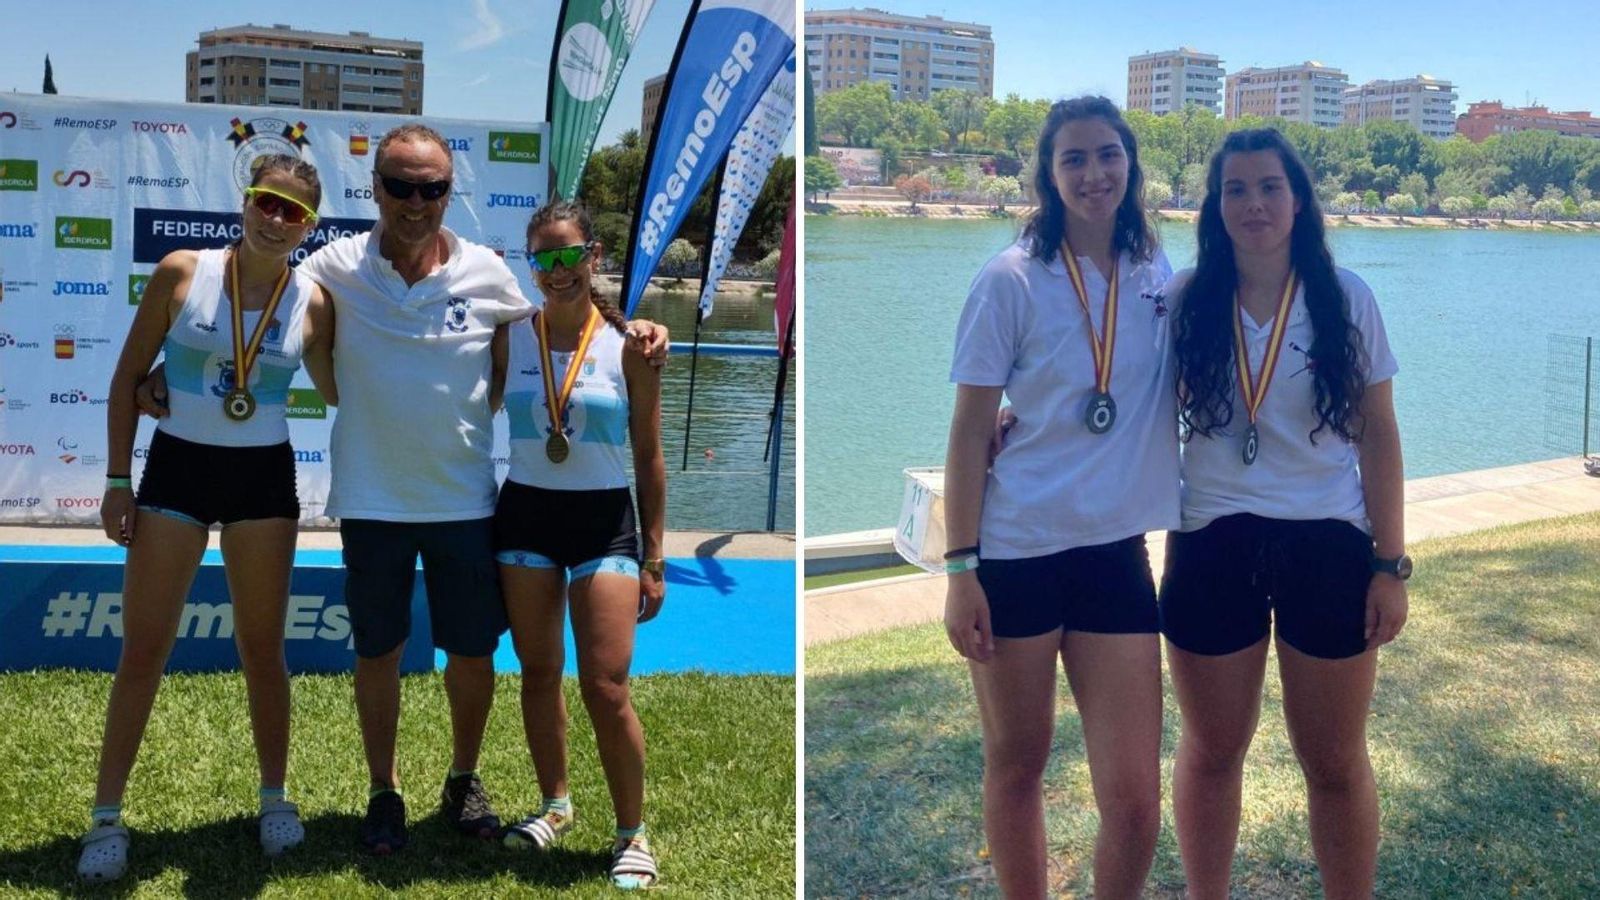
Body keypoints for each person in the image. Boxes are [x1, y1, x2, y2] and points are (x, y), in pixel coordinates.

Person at [137, 123, 668, 855]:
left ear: (449, 192)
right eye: (400, 186)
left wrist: (637, 326)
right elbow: (259, 299)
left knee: (472, 656)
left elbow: (561, 329)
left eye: (432, 188)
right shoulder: (333, 265)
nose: (415, 202)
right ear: (376, 188)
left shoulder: (488, 272)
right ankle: (383, 791)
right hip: (372, 499)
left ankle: (463, 778)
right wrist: (169, 370)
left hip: (466, 502)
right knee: (378, 653)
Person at [1161, 128, 1406, 899]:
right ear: (1215, 206)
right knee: (1211, 751)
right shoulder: (1186, 299)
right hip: (1212, 540)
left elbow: (1379, 433)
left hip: (1328, 544)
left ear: (1298, 200)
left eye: (1270, 186)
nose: (1254, 204)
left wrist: (1390, 564)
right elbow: (1120, 398)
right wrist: (1019, 423)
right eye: (1235, 189)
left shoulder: (1347, 298)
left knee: (1333, 762)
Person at [942, 96, 1177, 899]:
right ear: (1047, 174)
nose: (1093, 173)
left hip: (1114, 553)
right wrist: (960, 569)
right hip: (1017, 552)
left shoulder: (1153, 271)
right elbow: (970, 430)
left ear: (1131, 165)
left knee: (1136, 800)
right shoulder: (1008, 279)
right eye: (1073, 158)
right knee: (1018, 764)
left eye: (1108, 154)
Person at [80, 155, 336, 882]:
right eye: (266, 201)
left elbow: (346, 387)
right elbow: (127, 381)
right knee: (144, 649)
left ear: (310, 227)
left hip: (263, 481)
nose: (275, 219)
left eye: (293, 212)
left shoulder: (315, 302)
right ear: (244, 202)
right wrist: (117, 481)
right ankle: (106, 817)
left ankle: (275, 799)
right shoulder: (181, 272)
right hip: (178, 472)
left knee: (263, 649)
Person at [495, 201, 665, 890]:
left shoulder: (632, 344)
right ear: (530, 265)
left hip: (603, 522)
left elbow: (649, 455)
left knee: (606, 684)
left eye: (570, 255)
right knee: (539, 673)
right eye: (544, 258)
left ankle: (632, 833)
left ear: (594, 256)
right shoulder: (509, 338)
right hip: (524, 517)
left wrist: (656, 555)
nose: (558, 270)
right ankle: (555, 806)